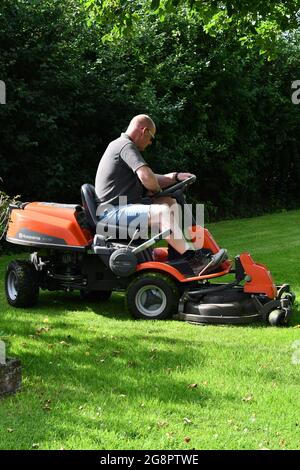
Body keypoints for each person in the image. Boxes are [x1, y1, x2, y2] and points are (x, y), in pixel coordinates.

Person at [95, 114, 226, 273]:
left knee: (169, 202)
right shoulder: (125, 145)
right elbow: (145, 176)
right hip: (111, 211)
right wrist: (156, 191)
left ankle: (177, 258)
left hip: (122, 207)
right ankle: (193, 261)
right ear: (143, 130)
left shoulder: (121, 145)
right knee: (163, 211)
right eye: (151, 137)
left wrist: (175, 177)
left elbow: (149, 177)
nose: (150, 142)